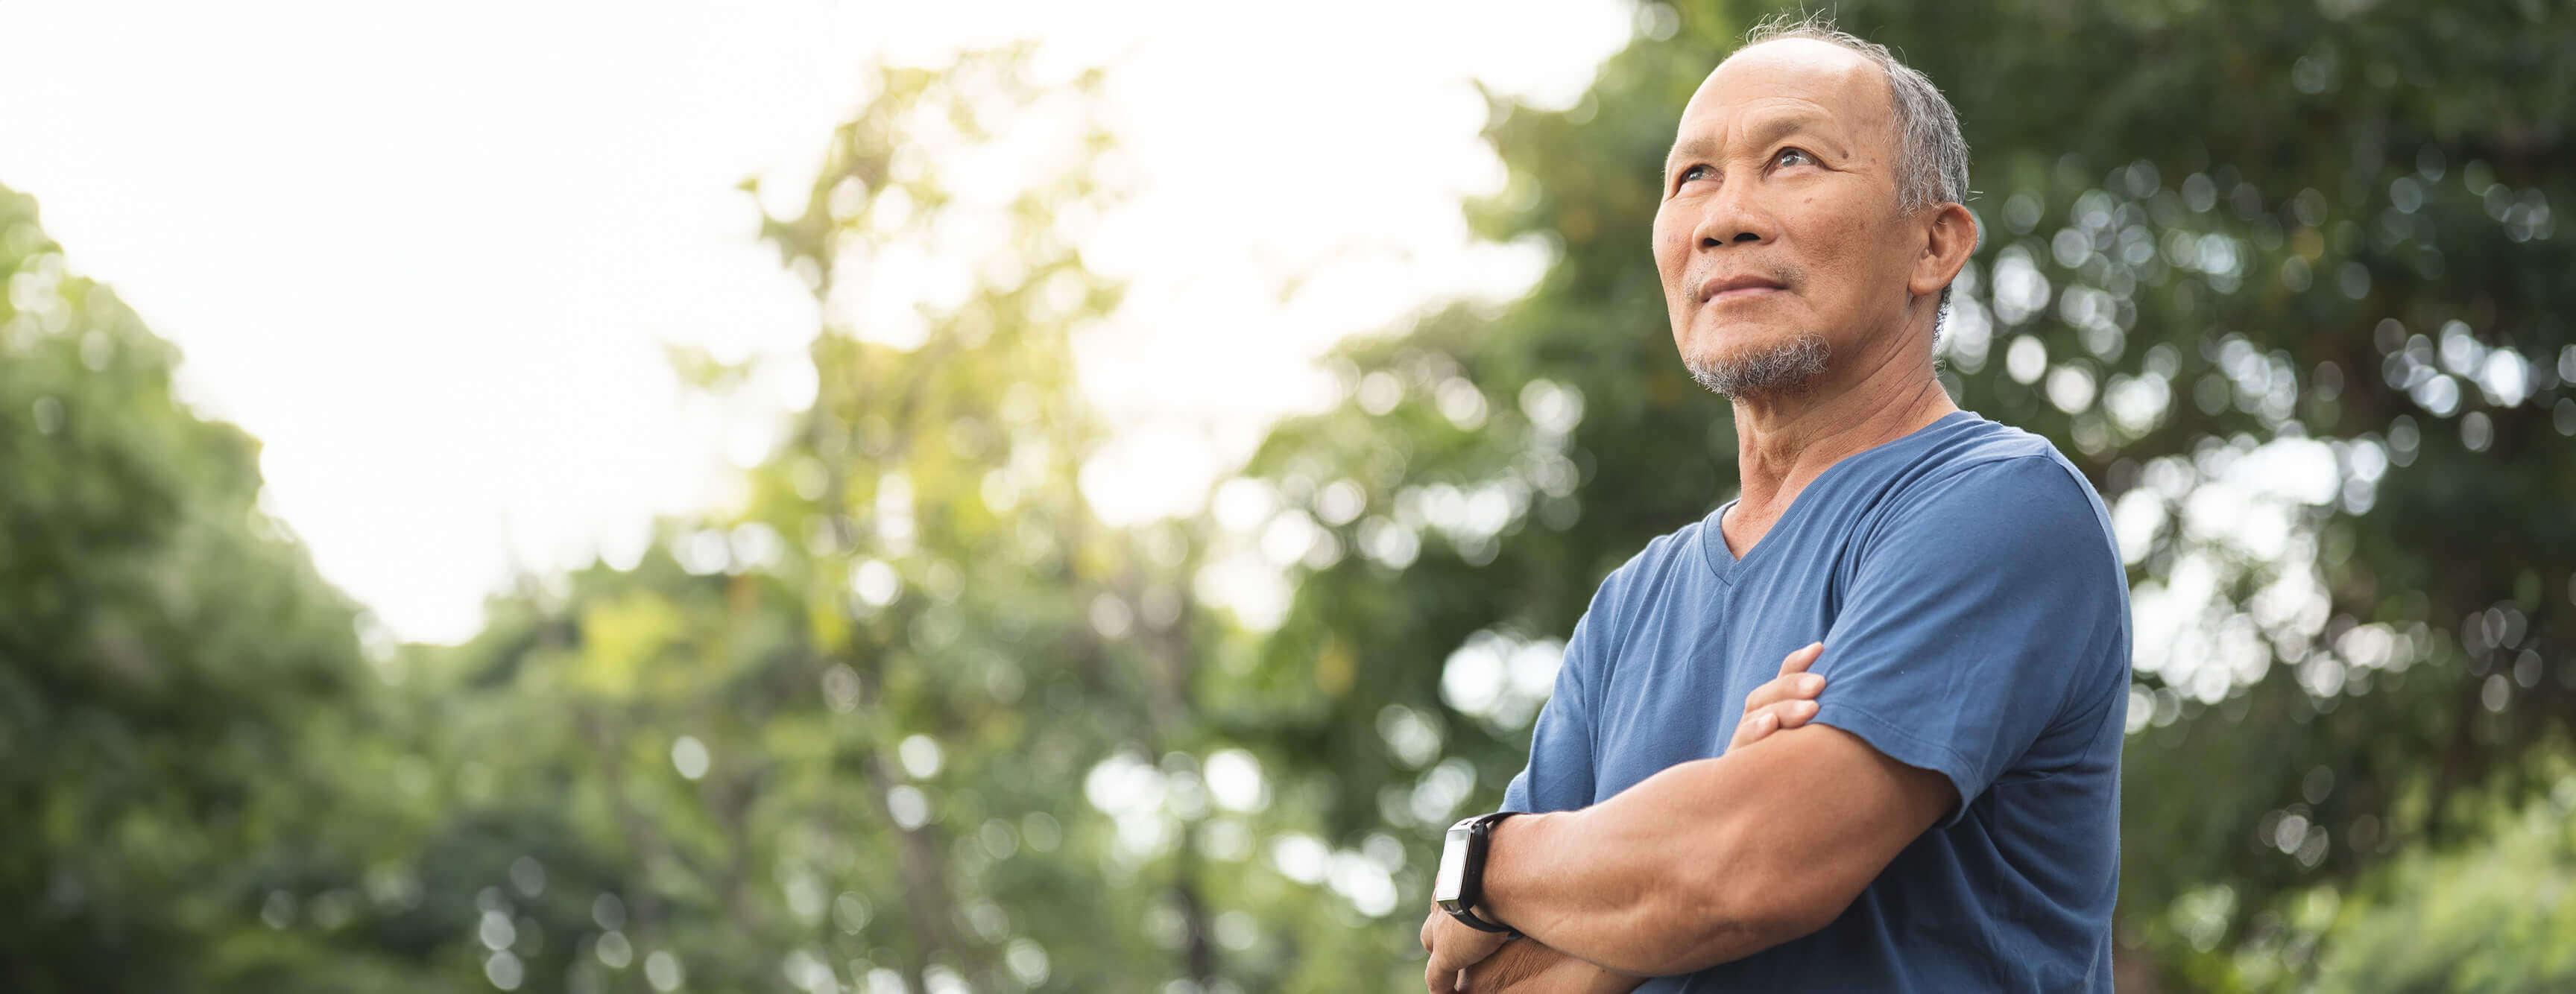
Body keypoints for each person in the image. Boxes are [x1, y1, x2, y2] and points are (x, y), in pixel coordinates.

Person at [1416, 13, 2132, 993]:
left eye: (1792, 159)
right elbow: (1476, 979)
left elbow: (1749, 868)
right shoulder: (1632, 606)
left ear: (1933, 243)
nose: (1725, 217)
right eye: (1692, 178)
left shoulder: (2004, 506)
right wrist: (1711, 816)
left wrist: (1488, 861)